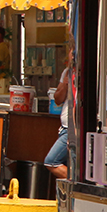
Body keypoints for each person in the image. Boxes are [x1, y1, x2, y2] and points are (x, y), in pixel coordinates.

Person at [45, 50, 71, 180]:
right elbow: (58, 99)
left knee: (51, 161)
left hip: (72, 129)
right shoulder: (67, 72)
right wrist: (65, 85)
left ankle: (76, 181)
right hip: (65, 127)